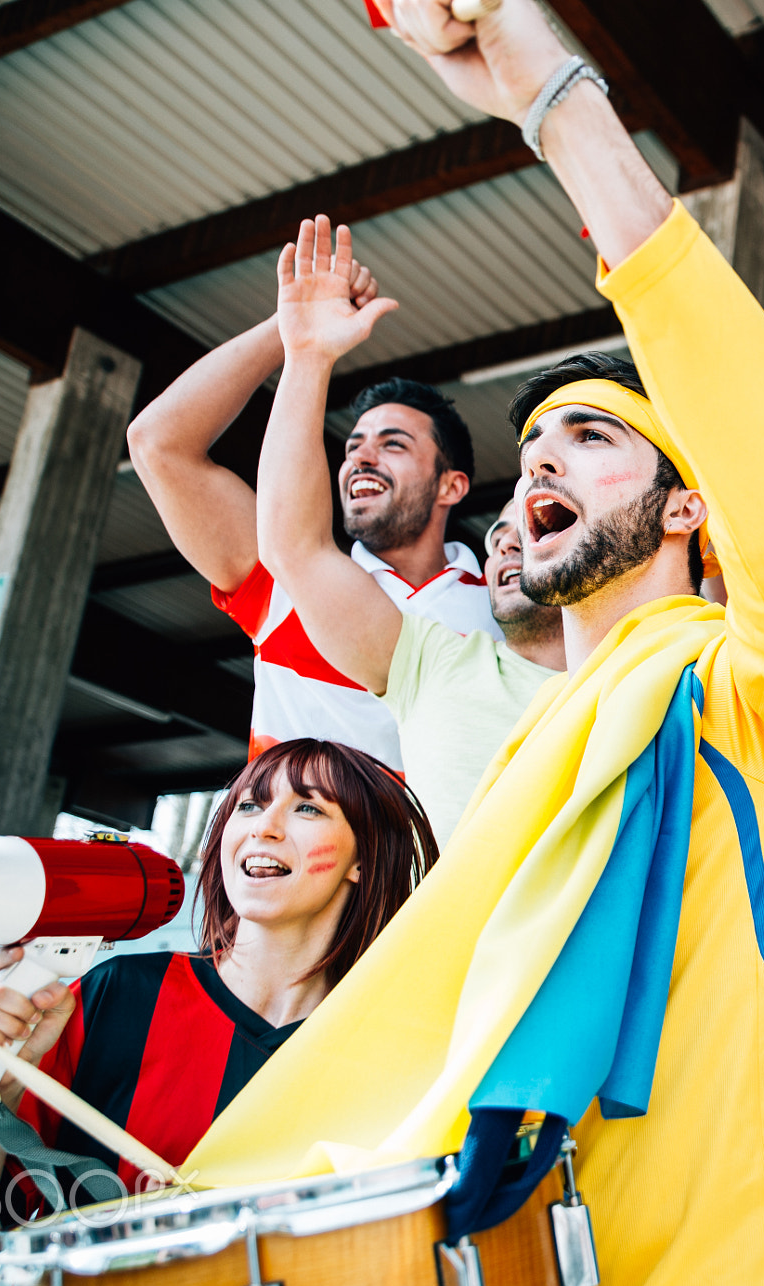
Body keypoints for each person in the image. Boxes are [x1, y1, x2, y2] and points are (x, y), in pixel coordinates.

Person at [177, 3, 764, 1286]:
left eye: (595, 438)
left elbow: (751, 434)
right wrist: (307, 353)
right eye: (533, 447)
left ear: (690, 511)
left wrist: (549, 95)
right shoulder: (520, 724)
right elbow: (297, 552)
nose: (543, 460)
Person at [0, 739, 436, 1286]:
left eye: (308, 808)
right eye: (248, 805)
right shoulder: (117, 996)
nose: (264, 827)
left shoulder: (392, 1044)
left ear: (362, 861)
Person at [254, 214, 568, 836]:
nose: (507, 544)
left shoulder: (641, 675)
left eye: (530, 527)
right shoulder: (443, 664)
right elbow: (294, 546)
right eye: (497, 534)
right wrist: (306, 358)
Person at [126, 277, 498, 770]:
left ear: (451, 486)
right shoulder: (289, 584)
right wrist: (292, 328)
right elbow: (158, 444)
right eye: (353, 445)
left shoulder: (506, 609)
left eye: (393, 444)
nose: (361, 457)